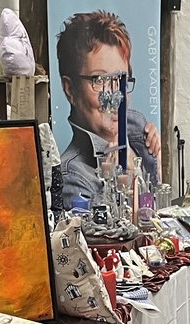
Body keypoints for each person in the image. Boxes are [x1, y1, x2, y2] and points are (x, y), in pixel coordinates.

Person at [56, 11, 160, 206]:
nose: (114, 97)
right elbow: (128, 234)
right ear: (70, 89)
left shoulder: (139, 135)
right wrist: (130, 182)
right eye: (100, 81)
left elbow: (161, 219)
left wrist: (154, 163)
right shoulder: (72, 178)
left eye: (121, 80)